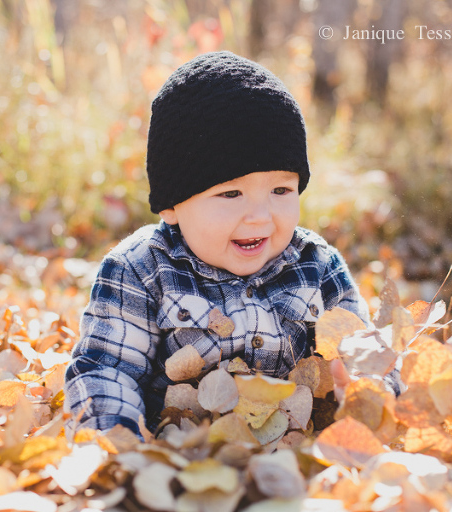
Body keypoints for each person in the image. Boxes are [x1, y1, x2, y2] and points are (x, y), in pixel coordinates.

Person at [64, 51, 371, 436]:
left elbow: (366, 356)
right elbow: (107, 371)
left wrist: (368, 396)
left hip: (292, 453)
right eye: (231, 194)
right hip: (178, 453)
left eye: (280, 190)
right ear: (172, 205)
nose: (260, 216)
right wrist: (118, 444)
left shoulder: (318, 265)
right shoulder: (140, 269)